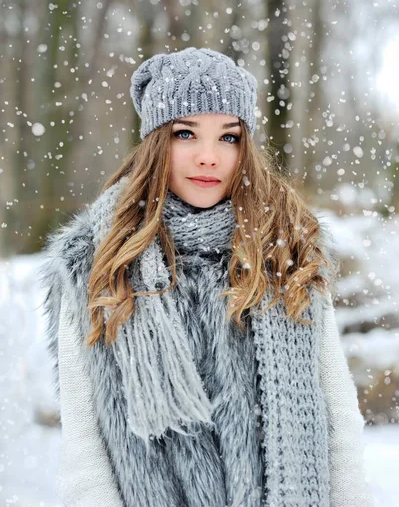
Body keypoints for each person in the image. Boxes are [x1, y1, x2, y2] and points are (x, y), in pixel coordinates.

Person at [39, 46, 375, 506]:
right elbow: (86, 446)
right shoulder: (98, 262)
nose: (208, 157)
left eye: (229, 137)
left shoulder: (286, 251)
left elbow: (337, 418)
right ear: (157, 142)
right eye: (186, 133)